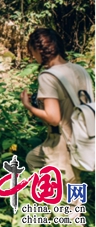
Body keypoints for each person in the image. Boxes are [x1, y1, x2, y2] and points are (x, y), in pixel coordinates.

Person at [20, 28, 87, 184]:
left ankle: (72, 207)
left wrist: (29, 106)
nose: (32, 57)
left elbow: (54, 118)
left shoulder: (48, 77)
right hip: (84, 135)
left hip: (62, 142)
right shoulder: (80, 70)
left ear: (38, 49)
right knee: (33, 159)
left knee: (67, 193)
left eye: (32, 52)